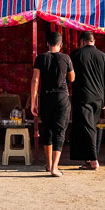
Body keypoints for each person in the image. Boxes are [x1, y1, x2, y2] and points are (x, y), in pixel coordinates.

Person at [31, 31, 74, 177]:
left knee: (47, 130)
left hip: (45, 98)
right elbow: (72, 78)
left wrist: (33, 102)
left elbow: (35, 80)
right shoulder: (66, 58)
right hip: (62, 98)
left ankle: (48, 164)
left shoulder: (40, 58)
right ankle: (55, 168)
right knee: (59, 131)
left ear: (47, 44)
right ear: (61, 45)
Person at [69, 31, 105, 170]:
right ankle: (87, 159)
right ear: (94, 41)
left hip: (83, 97)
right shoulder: (104, 57)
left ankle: (94, 160)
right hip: (98, 98)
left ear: (82, 42)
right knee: (89, 126)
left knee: (87, 128)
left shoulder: (76, 55)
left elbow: (69, 76)